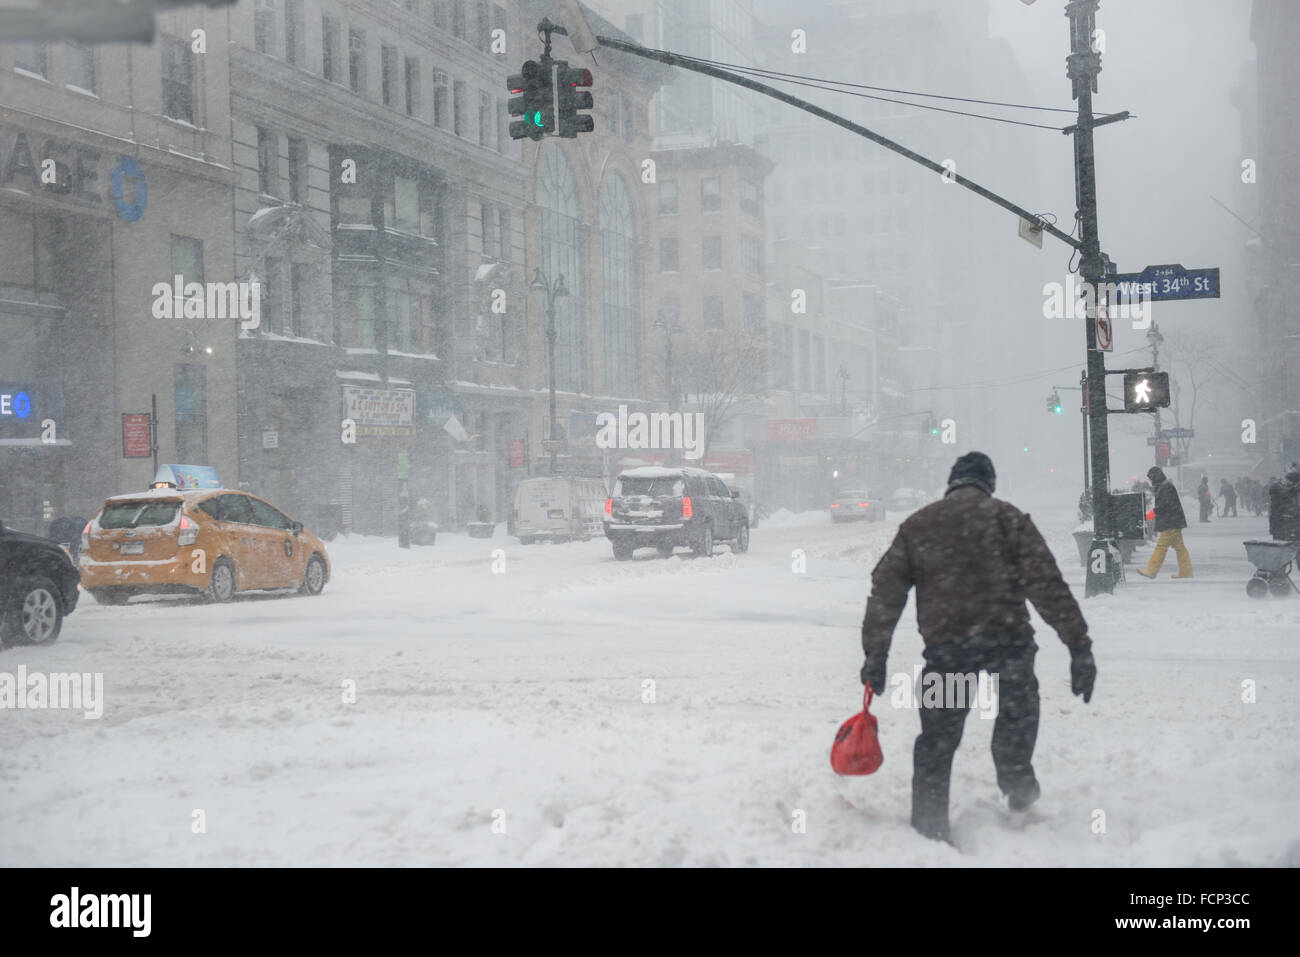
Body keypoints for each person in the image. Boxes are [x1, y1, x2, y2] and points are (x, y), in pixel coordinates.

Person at [859, 451, 1095, 844]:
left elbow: (885, 594)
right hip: (1008, 644)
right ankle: (1017, 779)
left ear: (951, 483)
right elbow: (1048, 587)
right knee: (1017, 712)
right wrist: (1078, 647)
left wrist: (875, 655)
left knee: (938, 739)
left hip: (948, 651)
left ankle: (930, 826)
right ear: (989, 485)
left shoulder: (919, 526)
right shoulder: (1008, 520)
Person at [1138, 466, 1193, 579]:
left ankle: (1151, 571)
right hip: (1175, 521)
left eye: (1152, 479)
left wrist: (1149, 515)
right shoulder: (1165, 486)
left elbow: (1163, 507)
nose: (1151, 482)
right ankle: (1186, 571)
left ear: (1155, 478)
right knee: (1180, 547)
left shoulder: (1165, 488)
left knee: (1161, 547)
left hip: (1170, 523)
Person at [1267, 466, 1300, 541]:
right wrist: (1294, 488)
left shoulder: (1291, 490)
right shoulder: (1277, 487)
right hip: (1281, 523)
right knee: (1283, 543)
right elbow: (1285, 494)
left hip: (1290, 524)